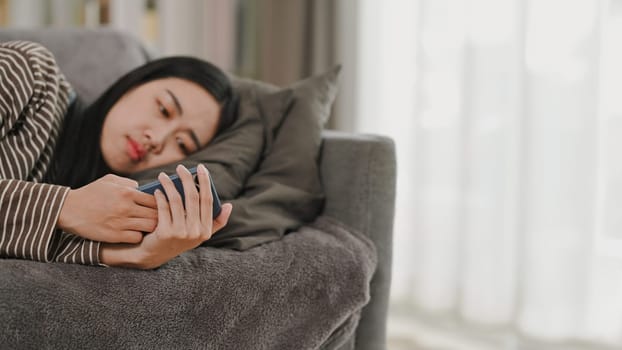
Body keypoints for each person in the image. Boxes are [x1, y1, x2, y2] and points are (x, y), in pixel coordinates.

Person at [0, 40, 236, 269]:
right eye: (164, 110)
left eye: (182, 144)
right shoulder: (28, 71)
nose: (157, 139)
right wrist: (66, 208)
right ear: (133, 82)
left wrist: (137, 255)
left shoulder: (97, 214)